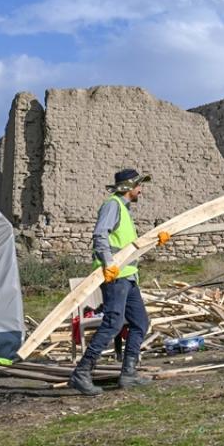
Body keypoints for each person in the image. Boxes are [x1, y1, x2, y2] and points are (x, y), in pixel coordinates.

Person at [69, 168, 168, 396]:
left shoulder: (124, 210)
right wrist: (107, 264)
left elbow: (129, 247)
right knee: (114, 323)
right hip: (116, 277)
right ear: (127, 188)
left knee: (140, 322)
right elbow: (100, 235)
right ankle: (82, 372)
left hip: (128, 277)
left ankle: (128, 374)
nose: (141, 190)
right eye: (138, 186)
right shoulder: (112, 205)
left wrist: (156, 241)